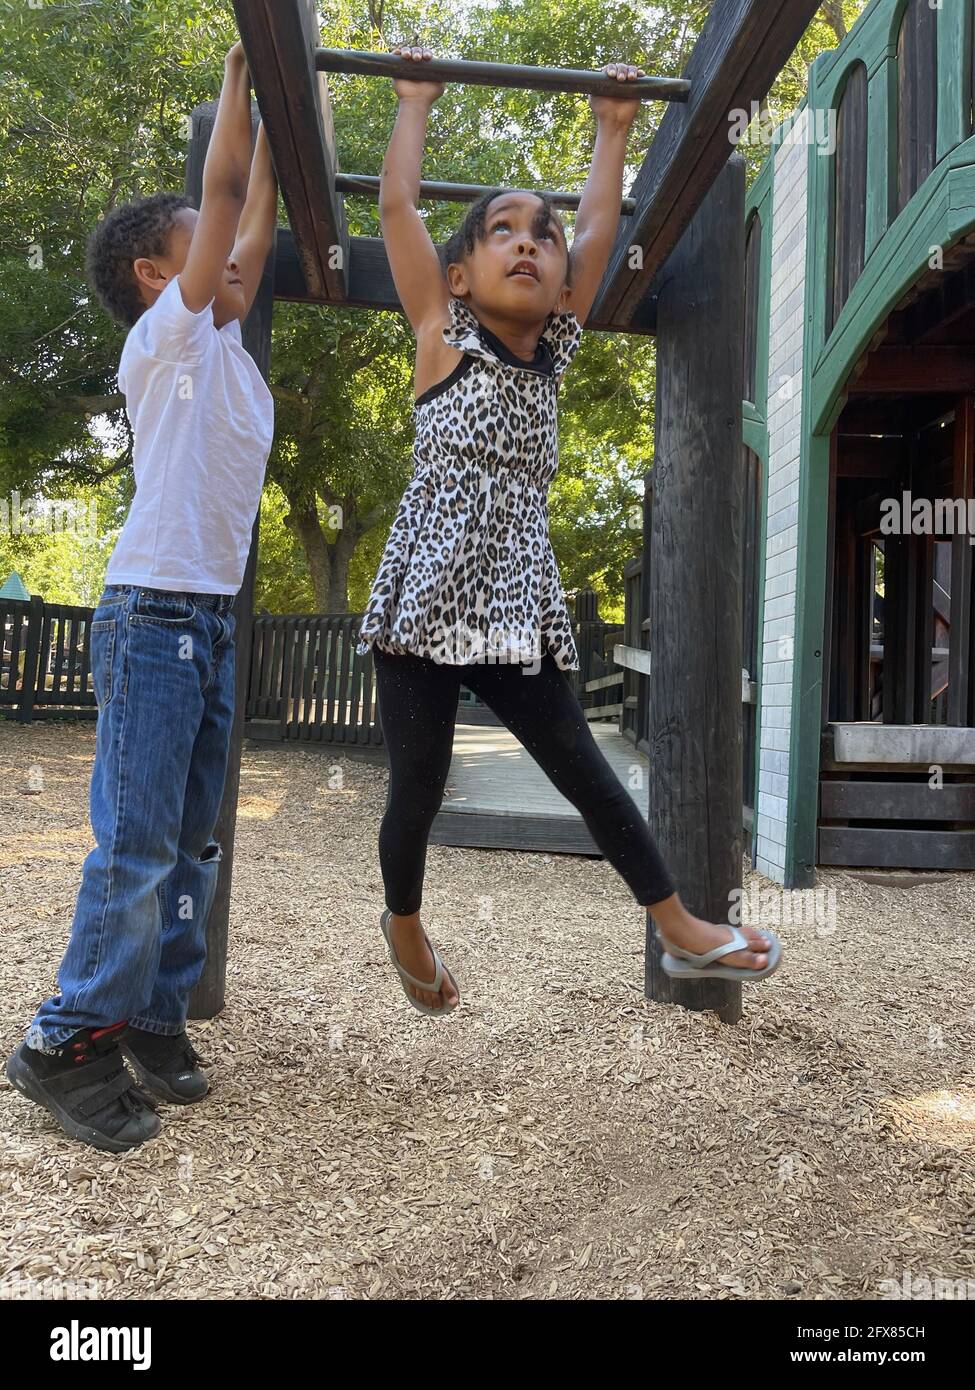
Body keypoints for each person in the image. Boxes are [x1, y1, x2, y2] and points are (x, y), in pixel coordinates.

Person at [355, 45, 782, 1017]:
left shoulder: (553, 349)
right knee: (415, 787)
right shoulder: (439, 332)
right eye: (502, 231)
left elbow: (597, 225)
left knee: (586, 773)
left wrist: (613, 127)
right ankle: (405, 920)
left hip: (511, 598)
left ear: (558, 284)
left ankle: (680, 926)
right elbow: (397, 213)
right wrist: (414, 100)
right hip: (424, 594)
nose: (528, 244)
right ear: (460, 275)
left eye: (539, 239)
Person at [5, 40, 277, 1151]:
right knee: (138, 843)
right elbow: (222, 199)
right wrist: (238, 80)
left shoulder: (231, 349)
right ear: (161, 278)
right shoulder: (165, 345)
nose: (232, 260)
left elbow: (249, 214)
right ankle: (63, 1038)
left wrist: (273, 127)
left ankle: (153, 1015)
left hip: (205, 620)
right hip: (155, 613)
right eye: (200, 251)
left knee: (195, 843)